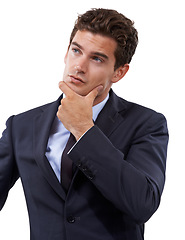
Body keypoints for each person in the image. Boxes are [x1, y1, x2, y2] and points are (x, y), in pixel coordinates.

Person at [0, 8, 168, 240]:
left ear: (119, 72)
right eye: (76, 51)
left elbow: (143, 203)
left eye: (97, 58)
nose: (79, 66)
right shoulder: (22, 125)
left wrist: (84, 130)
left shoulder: (146, 123)